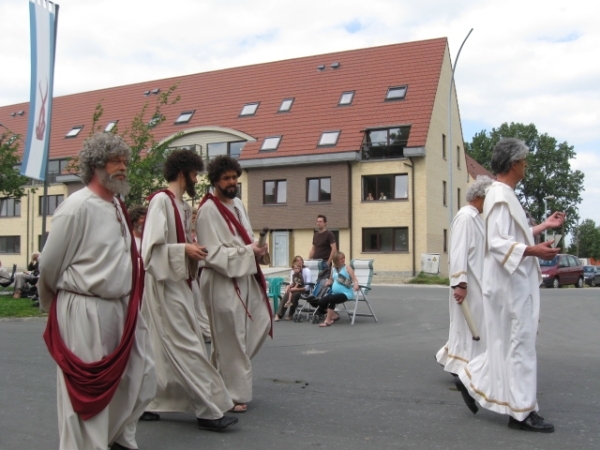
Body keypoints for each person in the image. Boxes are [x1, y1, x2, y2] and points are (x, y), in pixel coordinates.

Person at [38, 132, 156, 450]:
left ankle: (116, 438)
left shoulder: (117, 205)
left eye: (125, 162)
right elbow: (49, 267)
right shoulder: (76, 207)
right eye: (115, 161)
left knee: (140, 376)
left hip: (121, 309)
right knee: (86, 396)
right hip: (84, 309)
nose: (123, 167)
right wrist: (59, 311)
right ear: (96, 165)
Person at [455, 138, 564, 433]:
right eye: (525, 161)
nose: (527, 166)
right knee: (521, 345)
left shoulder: (501, 194)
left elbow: (511, 233)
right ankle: (522, 413)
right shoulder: (501, 196)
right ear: (515, 163)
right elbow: (499, 242)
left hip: (510, 284)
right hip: (511, 287)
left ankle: (473, 378)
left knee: (510, 345)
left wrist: (541, 229)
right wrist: (535, 251)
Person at [142, 149, 237, 431]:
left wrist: (189, 251)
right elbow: (150, 251)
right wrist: (185, 249)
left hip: (179, 283)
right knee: (187, 345)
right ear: (183, 172)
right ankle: (208, 409)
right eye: (195, 173)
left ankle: (151, 402)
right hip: (164, 285)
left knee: (167, 347)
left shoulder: (180, 205)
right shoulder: (160, 201)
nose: (197, 179)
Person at [196, 155, 272, 414]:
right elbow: (211, 254)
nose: (232, 182)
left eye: (234, 177)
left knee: (258, 324)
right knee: (230, 339)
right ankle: (232, 394)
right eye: (226, 178)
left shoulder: (238, 203)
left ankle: (217, 382)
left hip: (243, 275)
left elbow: (247, 238)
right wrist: (247, 251)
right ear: (215, 180)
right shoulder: (207, 210)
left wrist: (257, 249)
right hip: (220, 279)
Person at [435, 176, 493, 375]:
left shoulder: (476, 218)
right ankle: (464, 369)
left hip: (476, 282)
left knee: (469, 326)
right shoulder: (465, 218)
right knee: (469, 326)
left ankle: (457, 363)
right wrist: (460, 283)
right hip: (468, 284)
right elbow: (458, 252)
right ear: (480, 196)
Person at [318, 251, 359, 327]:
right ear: (336, 260)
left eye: (343, 258)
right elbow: (331, 279)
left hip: (346, 293)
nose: (343, 260)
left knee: (332, 298)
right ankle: (334, 315)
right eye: (341, 259)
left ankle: (328, 320)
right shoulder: (333, 269)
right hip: (335, 293)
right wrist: (328, 282)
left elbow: (355, 280)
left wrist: (356, 285)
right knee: (321, 302)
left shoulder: (347, 268)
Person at [274, 255, 312, 321]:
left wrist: (297, 289)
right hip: (295, 288)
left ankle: (290, 314)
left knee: (294, 294)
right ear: (294, 263)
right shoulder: (293, 271)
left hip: (304, 289)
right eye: (297, 261)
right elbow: (292, 282)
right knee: (287, 294)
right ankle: (278, 314)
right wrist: (288, 286)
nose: (299, 262)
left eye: (301, 260)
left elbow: (308, 286)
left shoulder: (307, 270)